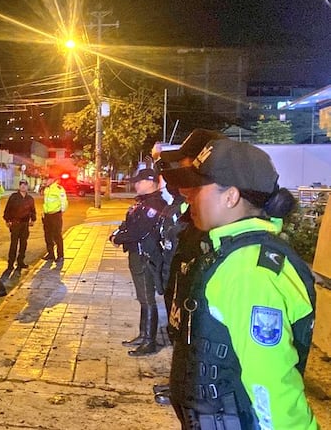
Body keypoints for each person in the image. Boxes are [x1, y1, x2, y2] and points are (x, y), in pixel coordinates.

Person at [164, 139, 317, 429]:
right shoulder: (228, 253)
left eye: (199, 189)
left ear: (231, 197)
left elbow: (272, 383)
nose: (190, 199)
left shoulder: (248, 270)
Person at [152, 129, 227, 404]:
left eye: (187, 168)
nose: (183, 184)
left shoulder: (219, 229)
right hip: (186, 329)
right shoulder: (194, 215)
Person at [110, 168, 167, 356]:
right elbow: (128, 226)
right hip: (137, 254)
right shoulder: (143, 203)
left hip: (145, 257)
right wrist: (117, 234)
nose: (136, 184)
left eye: (139, 181)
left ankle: (149, 342)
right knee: (142, 298)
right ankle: (144, 335)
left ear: (151, 182)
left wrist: (118, 239)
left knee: (147, 299)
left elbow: (139, 231)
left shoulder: (155, 204)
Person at [3, 179, 36, 270]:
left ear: (27, 186)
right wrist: (7, 220)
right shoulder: (13, 197)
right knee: (14, 244)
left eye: (25, 184)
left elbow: (32, 210)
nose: (23, 186)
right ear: (19, 186)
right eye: (21, 184)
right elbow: (7, 209)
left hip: (25, 225)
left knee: (23, 244)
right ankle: (10, 263)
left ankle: (20, 261)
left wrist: (33, 219)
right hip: (15, 224)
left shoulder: (30, 199)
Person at [41, 172, 68, 261]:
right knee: (47, 235)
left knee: (57, 236)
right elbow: (46, 202)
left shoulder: (58, 188)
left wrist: (61, 212)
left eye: (47, 179)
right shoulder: (46, 189)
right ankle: (50, 254)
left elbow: (64, 201)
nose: (45, 181)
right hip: (47, 215)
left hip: (55, 215)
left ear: (52, 180)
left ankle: (60, 255)